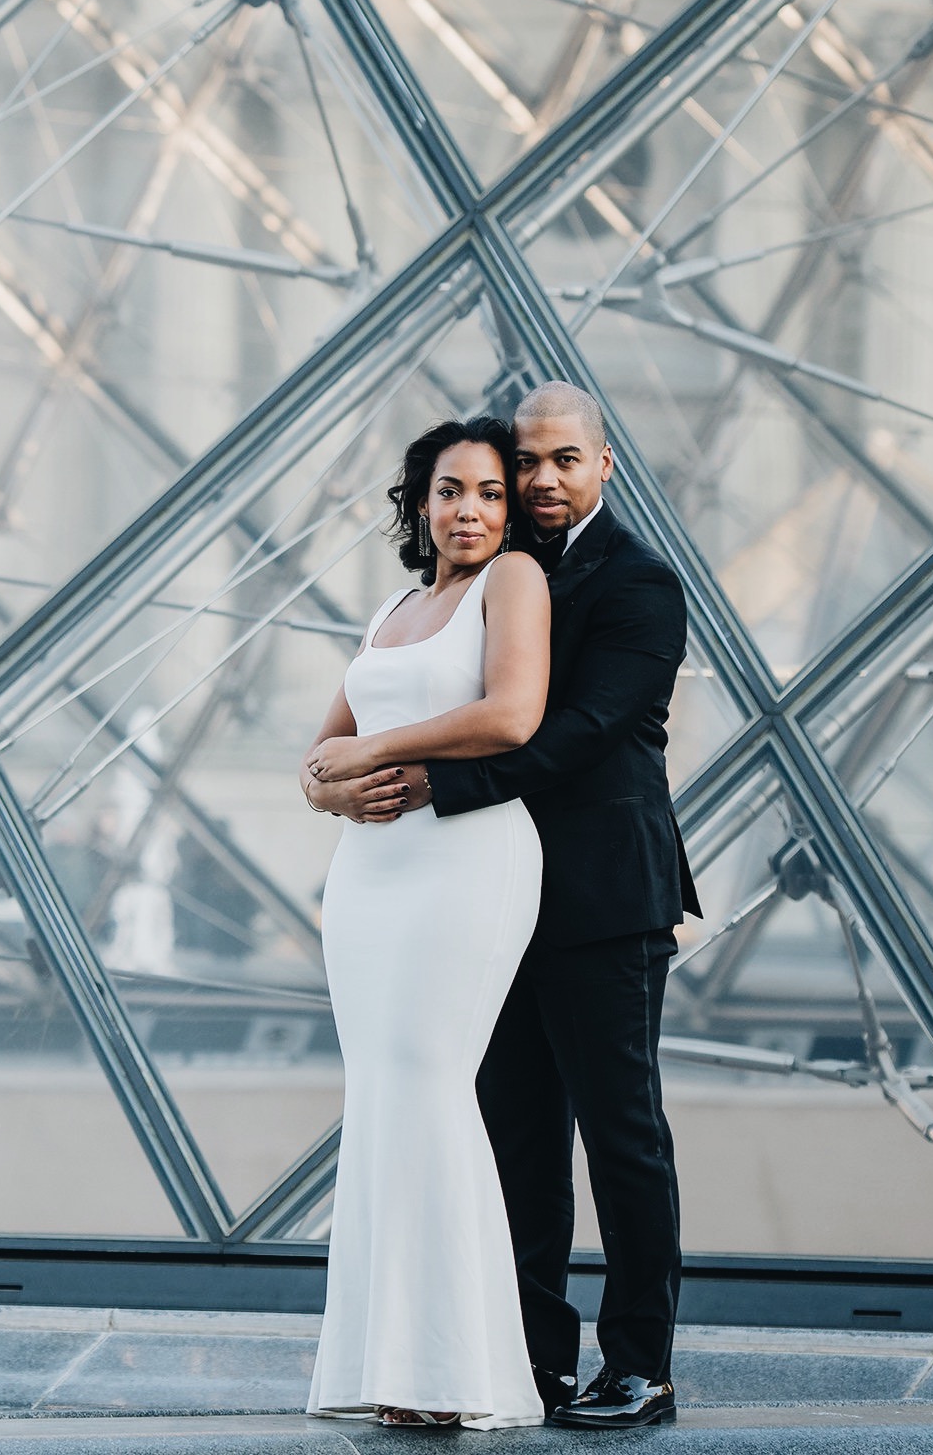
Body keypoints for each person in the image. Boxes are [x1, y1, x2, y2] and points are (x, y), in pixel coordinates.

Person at [308, 382, 700, 1430]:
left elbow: (576, 731)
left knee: (621, 1135)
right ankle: (526, 1355)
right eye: (525, 461)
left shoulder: (641, 584)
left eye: (561, 460)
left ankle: (640, 1365)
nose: (539, 479)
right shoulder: (489, 573)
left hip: (597, 894)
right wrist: (344, 782)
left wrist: (429, 785)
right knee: (516, 1134)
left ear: (604, 464)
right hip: (479, 891)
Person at [297, 416, 550, 1429]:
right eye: (451, 490)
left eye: (490, 492)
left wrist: (375, 749)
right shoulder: (394, 606)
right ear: (420, 502)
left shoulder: (513, 583)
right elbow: (318, 756)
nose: (471, 510)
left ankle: (455, 1372)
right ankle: (391, 1363)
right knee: (383, 1094)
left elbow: (512, 711)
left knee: (431, 1081)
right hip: (369, 871)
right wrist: (336, 790)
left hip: (466, 860)